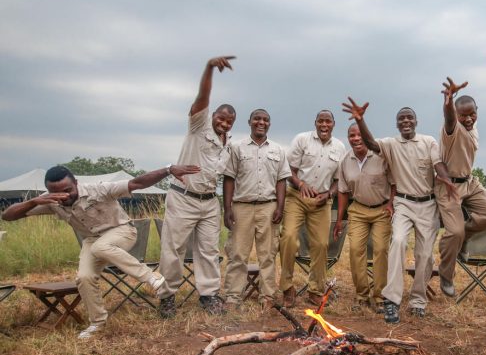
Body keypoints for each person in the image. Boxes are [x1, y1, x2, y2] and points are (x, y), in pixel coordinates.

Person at [1, 164, 200, 339]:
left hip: (122, 231)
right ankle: (97, 322)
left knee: (100, 246)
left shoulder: (99, 190)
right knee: (84, 277)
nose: (64, 196)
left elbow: (137, 183)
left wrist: (167, 169)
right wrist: (34, 202)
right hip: (92, 241)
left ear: (76, 183)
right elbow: (8, 217)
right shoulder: (51, 202)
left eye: (68, 190)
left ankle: (150, 276)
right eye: (57, 193)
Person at [342, 98, 456, 324]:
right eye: (401, 119)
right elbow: (371, 144)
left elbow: (437, 164)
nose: (405, 121)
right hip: (403, 203)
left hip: (427, 204)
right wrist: (360, 120)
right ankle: (391, 300)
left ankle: (418, 301)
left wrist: (446, 178)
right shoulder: (390, 144)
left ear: (416, 121)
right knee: (399, 242)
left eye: (409, 117)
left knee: (424, 255)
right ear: (397, 124)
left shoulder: (428, 141)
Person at [157, 56, 236, 318]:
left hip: (208, 202)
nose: (223, 123)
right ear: (212, 115)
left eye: (228, 121)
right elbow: (203, 96)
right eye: (221, 118)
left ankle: (209, 295)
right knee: (174, 249)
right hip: (183, 198)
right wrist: (209, 68)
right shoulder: (198, 125)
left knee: (208, 250)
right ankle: (167, 296)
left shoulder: (228, 142)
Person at [436, 78, 486, 297]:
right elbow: (449, 118)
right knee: (454, 231)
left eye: (472, 113)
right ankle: (446, 274)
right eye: (463, 115)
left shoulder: (474, 127)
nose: (469, 118)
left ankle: (465, 239)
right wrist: (448, 100)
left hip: (470, 181)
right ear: (456, 114)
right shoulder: (452, 128)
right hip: (449, 185)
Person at [221, 109, 291, 309]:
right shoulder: (237, 148)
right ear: (249, 122)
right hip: (241, 206)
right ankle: (233, 296)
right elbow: (229, 178)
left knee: (268, 254)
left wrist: (280, 206)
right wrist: (227, 208)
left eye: (265, 120)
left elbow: (281, 181)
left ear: (269, 123)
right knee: (237, 253)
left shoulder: (277, 150)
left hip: (268, 207)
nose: (261, 122)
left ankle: (267, 296)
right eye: (257, 119)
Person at [278, 110, 345, 307]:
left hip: (321, 201)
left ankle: (315, 289)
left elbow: (338, 180)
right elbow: (287, 170)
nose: (324, 125)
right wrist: (300, 185)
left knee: (321, 245)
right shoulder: (302, 139)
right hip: (297, 196)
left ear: (333, 124)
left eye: (328, 122)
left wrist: (329, 194)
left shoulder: (340, 147)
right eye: (321, 121)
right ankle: (287, 288)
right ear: (315, 123)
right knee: (289, 237)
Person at [333, 123, 395, 313]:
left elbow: (394, 183)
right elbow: (343, 191)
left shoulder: (381, 156)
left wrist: (391, 204)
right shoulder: (345, 160)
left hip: (381, 209)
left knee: (381, 250)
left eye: (359, 135)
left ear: (367, 137)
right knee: (355, 250)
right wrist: (339, 219)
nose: (356, 138)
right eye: (352, 135)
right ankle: (362, 295)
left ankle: (379, 297)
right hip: (358, 210)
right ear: (348, 138)